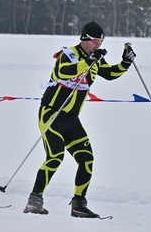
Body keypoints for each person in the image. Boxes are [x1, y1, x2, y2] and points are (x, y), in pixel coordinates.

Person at [23, 21, 136, 218]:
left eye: (101, 41)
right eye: (95, 41)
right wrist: (88, 61)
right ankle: (34, 199)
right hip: (51, 114)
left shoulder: (95, 58)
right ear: (84, 38)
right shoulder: (68, 54)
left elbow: (110, 74)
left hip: (71, 119)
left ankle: (78, 204)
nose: (98, 45)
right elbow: (63, 72)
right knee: (55, 157)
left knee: (86, 159)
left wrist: (125, 62)